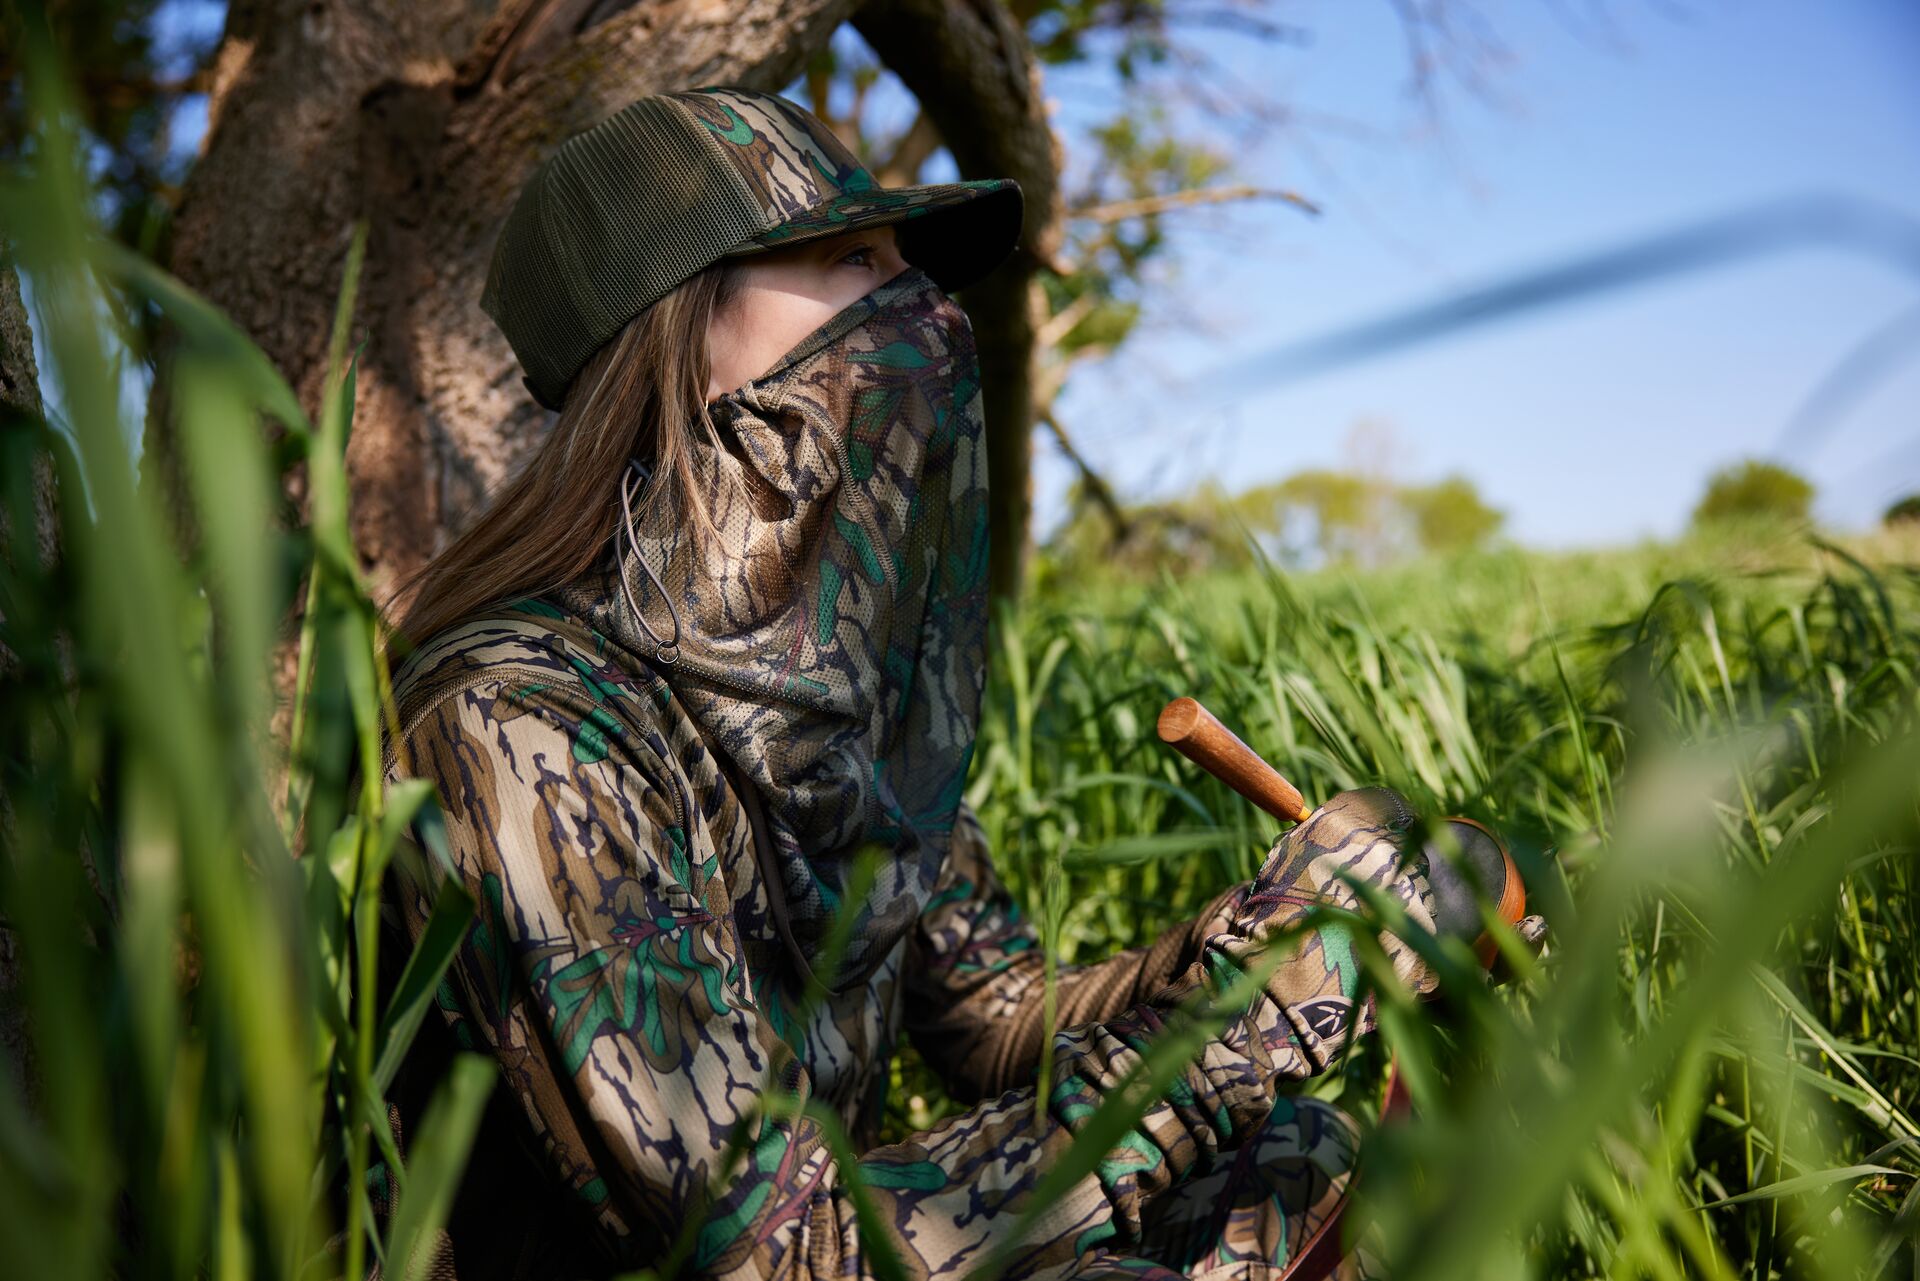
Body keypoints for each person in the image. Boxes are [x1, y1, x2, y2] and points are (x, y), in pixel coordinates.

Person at [376, 85, 1537, 1281]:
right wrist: (1254, 1020)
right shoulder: (518, 719)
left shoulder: (820, 691)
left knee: (1293, 1165)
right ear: (679, 330)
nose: (921, 305)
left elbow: (998, 1017)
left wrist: (1294, 928)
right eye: (852, 259)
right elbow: (777, 1254)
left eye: (909, 262)